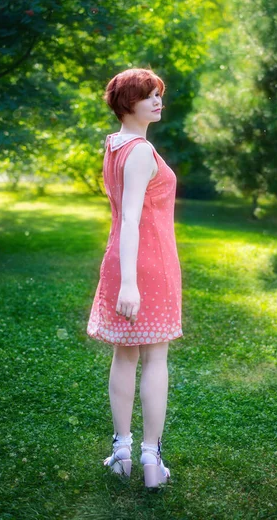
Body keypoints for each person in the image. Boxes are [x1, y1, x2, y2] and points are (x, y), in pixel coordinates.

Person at [86, 68, 183, 488]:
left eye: (159, 94)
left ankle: (123, 452)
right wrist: (130, 282)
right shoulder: (140, 151)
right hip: (148, 264)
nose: (158, 101)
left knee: (125, 356)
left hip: (122, 260)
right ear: (128, 103)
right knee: (154, 357)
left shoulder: (115, 145)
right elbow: (129, 218)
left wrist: (124, 277)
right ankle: (150, 460)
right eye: (149, 96)